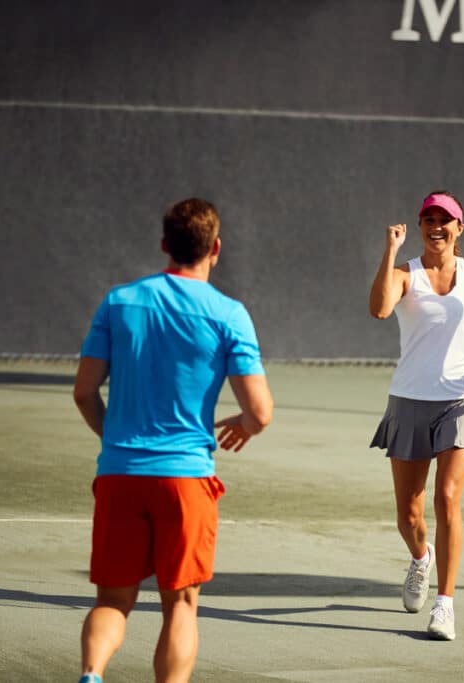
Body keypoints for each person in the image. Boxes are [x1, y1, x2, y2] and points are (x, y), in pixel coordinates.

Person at [72, 197, 274, 683]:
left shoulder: (119, 302)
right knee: (181, 604)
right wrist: (244, 427)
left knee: (112, 601)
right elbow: (260, 412)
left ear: (165, 245)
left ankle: (92, 674)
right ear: (216, 249)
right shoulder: (229, 314)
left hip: (119, 475)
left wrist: (119, 440)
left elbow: (84, 393)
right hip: (186, 482)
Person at [368, 190, 464, 641]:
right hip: (410, 400)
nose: (437, 226)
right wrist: (390, 251)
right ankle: (420, 559)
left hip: (461, 399)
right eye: (429, 219)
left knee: (447, 498)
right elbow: (378, 308)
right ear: (420, 226)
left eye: (445, 220)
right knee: (408, 515)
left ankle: (446, 604)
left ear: (459, 227)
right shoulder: (404, 275)